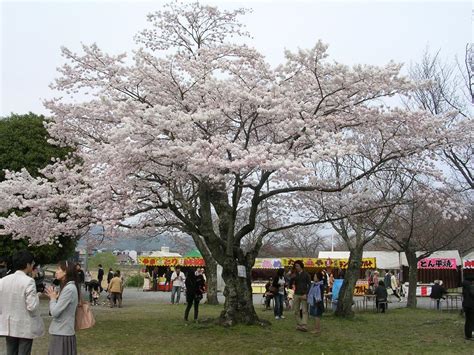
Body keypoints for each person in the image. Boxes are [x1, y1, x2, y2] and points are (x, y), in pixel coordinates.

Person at [0, 251, 45, 355]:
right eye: (32, 263)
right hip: (24, 326)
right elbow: (32, 307)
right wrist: (37, 296)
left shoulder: (3, 280)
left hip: (9, 325)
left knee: (10, 352)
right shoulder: (28, 281)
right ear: (27, 264)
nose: (33, 265)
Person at [44, 260, 79, 355]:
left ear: (66, 271)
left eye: (58, 269)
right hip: (63, 331)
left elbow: (55, 312)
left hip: (62, 333)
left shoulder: (69, 289)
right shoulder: (68, 287)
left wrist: (52, 298)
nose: (56, 271)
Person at [289, 260, 311, 332]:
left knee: (305, 310)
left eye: (297, 266)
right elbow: (290, 285)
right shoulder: (295, 274)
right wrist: (291, 278)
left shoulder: (306, 274)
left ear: (301, 266)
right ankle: (299, 324)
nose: (296, 267)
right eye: (295, 266)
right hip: (296, 294)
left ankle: (304, 325)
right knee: (296, 310)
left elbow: (309, 285)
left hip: (304, 294)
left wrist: (306, 294)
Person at [461, 275, 474, 341]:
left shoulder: (465, 287)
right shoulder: (471, 287)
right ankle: (469, 335)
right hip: (471, 306)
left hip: (466, 305)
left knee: (468, 321)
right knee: (471, 321)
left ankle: (467, 335)